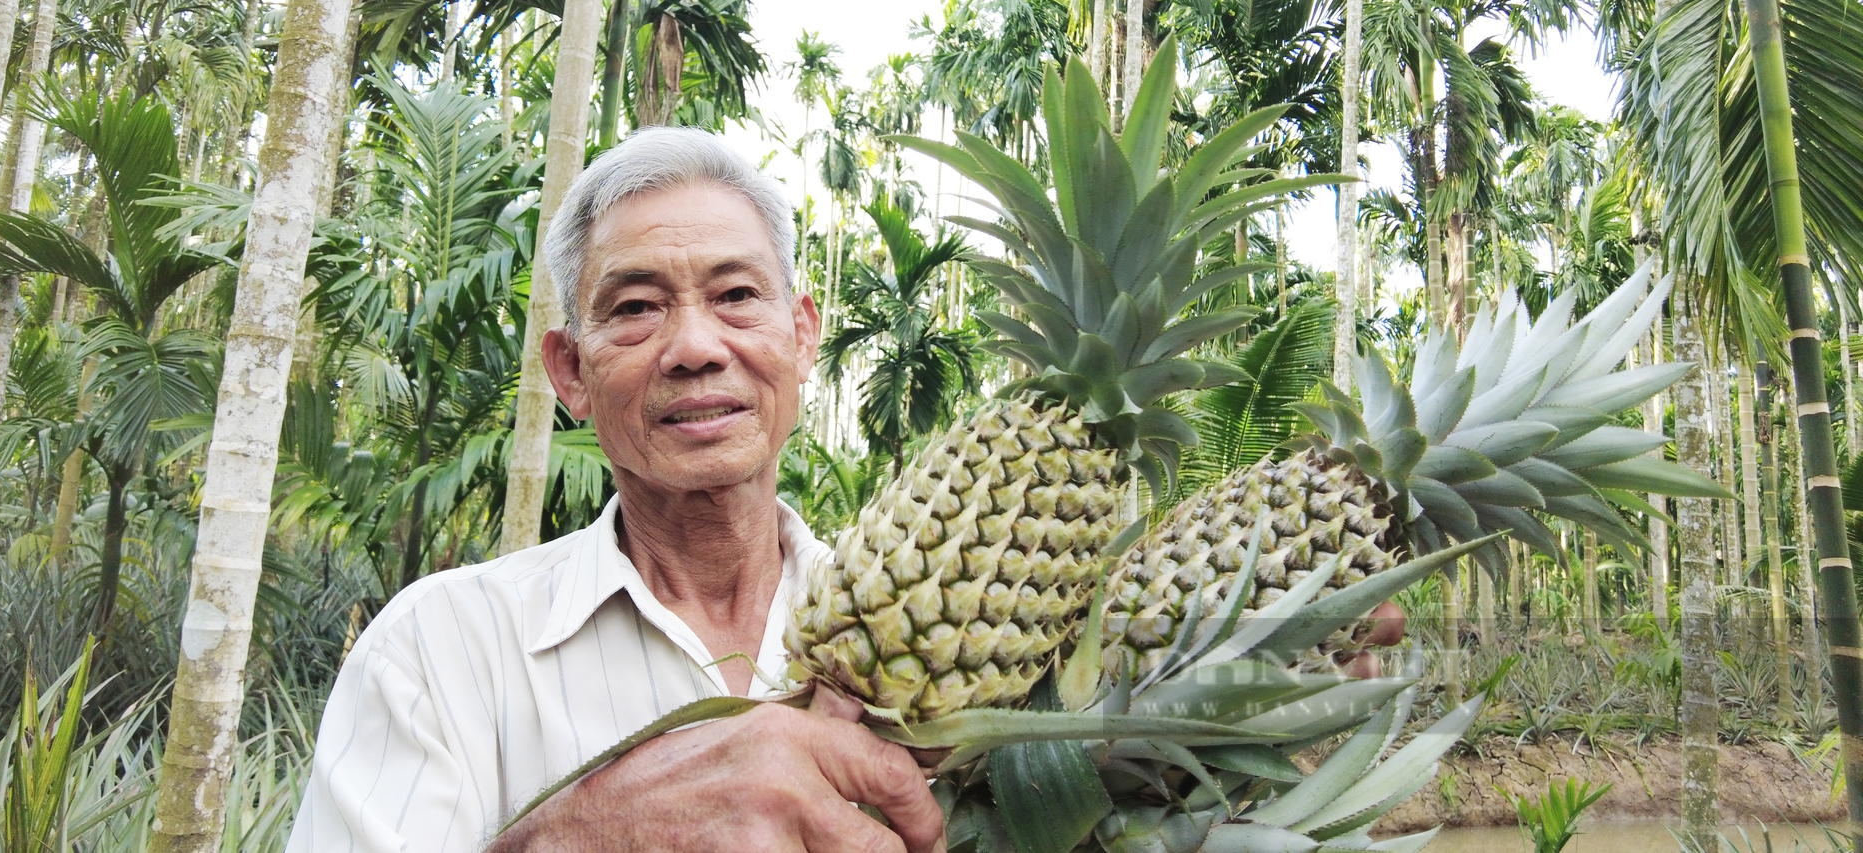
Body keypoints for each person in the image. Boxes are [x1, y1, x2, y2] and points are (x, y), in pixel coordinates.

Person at [284, 128, 1403, 853]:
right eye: (632, 308)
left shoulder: (1025, 656)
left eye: (735, 295)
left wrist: (1252, 711)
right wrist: (584, 836)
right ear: (568, 373)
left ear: (800, 336)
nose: (693, 347)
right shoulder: (439, 653)